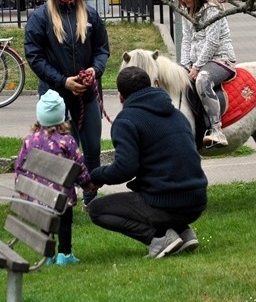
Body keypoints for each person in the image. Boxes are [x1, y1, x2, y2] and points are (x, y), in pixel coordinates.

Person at [87, 66, 208, 259]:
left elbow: (125, 169)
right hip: (197, 199)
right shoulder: (177, 114)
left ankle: (158, 238)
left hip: (166, 203)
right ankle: (183, 233)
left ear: (120, 96)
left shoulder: (126, 121)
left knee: (96, 210)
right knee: (149, 191)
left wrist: (95, 176)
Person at [24, 0, 110, 206]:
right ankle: (62, 197)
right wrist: (63, 82)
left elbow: (102, 49)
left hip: (87, 94)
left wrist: (95, 70)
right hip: (55, 98)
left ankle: (91, 198)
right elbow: (35, 57)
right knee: (61, 149)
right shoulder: (40, 18)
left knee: (92, 147)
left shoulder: (90, 14)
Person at [14, 90, 93, 266]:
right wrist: (87, 184)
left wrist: (21, 187)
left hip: (39, 193)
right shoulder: (67, 141)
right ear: (61, 116)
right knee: (65, 221)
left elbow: (20, 165)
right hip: (62, 195)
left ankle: (47, 254)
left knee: (45, 221)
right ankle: (64, 254)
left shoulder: (30, 140)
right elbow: (78, 167)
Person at [171, 0, 237, 147]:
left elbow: (212, 42)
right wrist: (184, 66)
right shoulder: (186, 11)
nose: (183, 0)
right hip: (197, 62)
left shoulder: (212, 10)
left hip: (220, 59)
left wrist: (197, 67)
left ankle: (217, 129)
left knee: (202, 80)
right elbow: (186, 40)